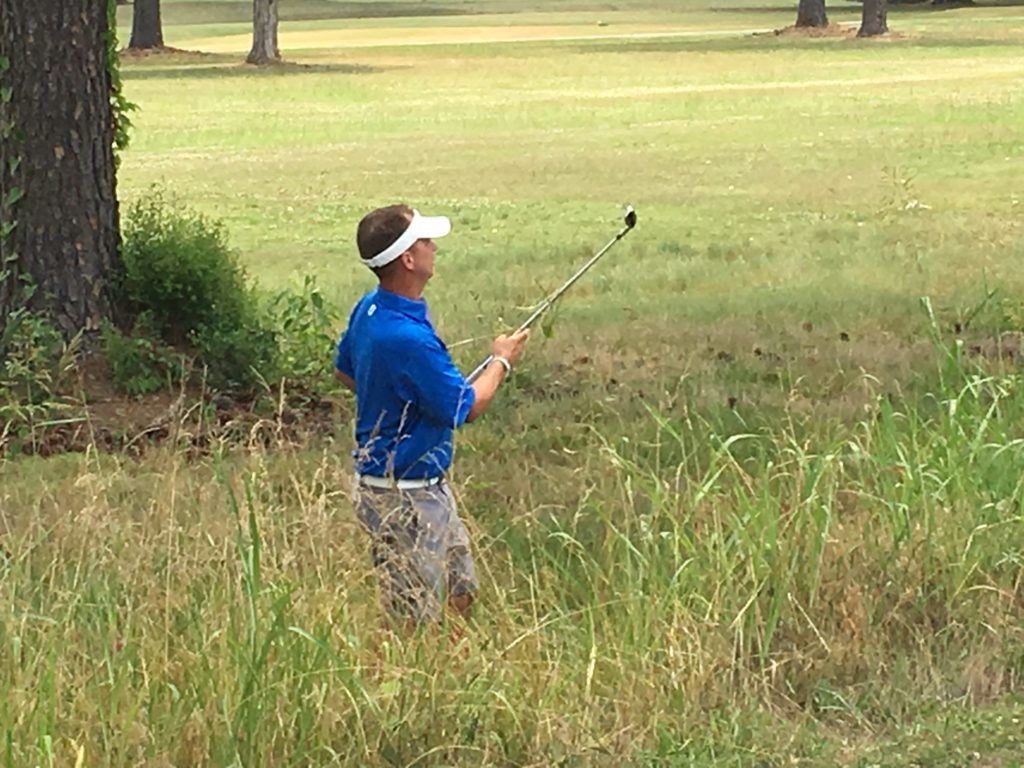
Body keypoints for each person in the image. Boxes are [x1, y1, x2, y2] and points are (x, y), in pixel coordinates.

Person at [334, 203, 529, 625]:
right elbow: (466, 408)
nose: (434, 246)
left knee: (461, 591)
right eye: (425, 241)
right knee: (413, 620)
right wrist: (502, 360)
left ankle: (453, 672)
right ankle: (411, 683)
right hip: (404, 496)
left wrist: (395, 398)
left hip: (425, 488)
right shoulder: (406, 339)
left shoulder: (371, 308)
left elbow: (343, 370)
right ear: (407, 259)